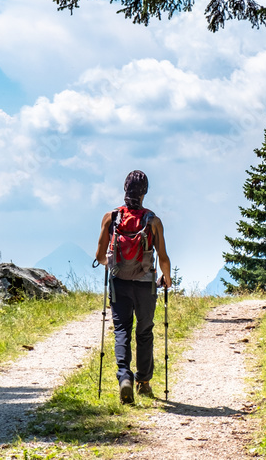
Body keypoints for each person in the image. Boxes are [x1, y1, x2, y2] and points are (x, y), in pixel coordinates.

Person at [95, 170, 172, 404]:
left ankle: (124, 378)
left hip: (119, 283)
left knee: (122, 331)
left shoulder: (111, 217)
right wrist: (166, 278)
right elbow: (163, 256)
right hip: (145, 285)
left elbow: (99, 256)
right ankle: (144, 382)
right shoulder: (153, 221)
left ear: (125, 189)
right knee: (144, 331)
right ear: (145, 192)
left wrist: (117, 264)